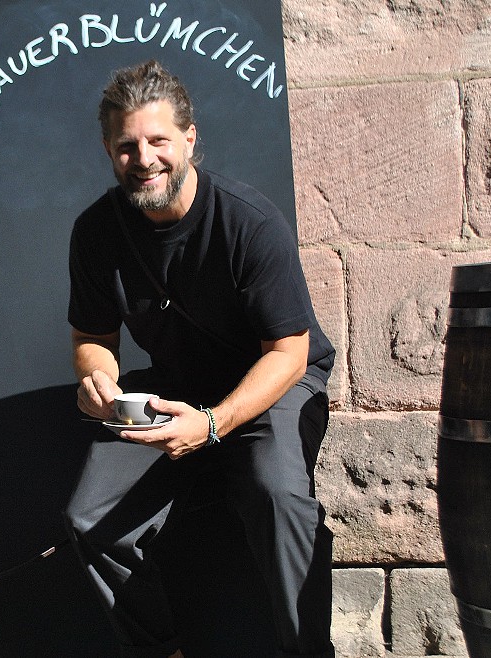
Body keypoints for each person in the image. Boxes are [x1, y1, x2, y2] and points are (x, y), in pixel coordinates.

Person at [64, 60, 337, 658]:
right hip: (173, 387)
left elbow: (289, 352)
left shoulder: (249, 221)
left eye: (158, 141)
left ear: (189, 139)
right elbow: (92, 335)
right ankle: (163, 649)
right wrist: (98, 379)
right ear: (109, 151)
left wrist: (213, 424)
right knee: (90, 518)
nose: (144, 159)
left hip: (273, 382)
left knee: (278, 497)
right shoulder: (95, 231)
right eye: (127, 146)